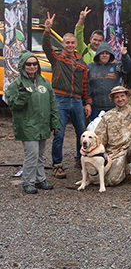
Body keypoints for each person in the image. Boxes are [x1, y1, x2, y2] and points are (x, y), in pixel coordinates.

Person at [43, 12, 91, 179]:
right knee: (59, 133)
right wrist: (47, 30)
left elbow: (85, 85)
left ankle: (80, 159)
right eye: (67, 43)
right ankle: (57, 164)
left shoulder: (81, 63)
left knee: (82, 132)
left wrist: (88, 102)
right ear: (63, 44)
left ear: (76, 43)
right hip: (60, 99)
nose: (70, 45)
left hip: (77, 101)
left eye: (72, 42)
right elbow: (47, 47)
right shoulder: (56, 58)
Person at [6, 51, 60, 194]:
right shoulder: (16, 84)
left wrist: (54, 122)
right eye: (28, 64)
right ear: (23, 65)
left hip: (42, 125)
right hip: (27, 125)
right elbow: (13, 106)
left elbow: (52, 103)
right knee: (32, 154)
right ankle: (28, 182)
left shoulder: (45, 82)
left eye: (34, 63)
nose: (32, 66)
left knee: (41, 154)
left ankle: (40, 178)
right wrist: (23, 96)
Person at [87, 41, 131, 120]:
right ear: (98, 54)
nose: (104, 55)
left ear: (110, 55)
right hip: (95, 107)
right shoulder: (90, 67)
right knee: (95, 130)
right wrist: (87, 103)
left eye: (107, 53)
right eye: (102, 53)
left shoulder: (116, 67)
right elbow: (85, 85)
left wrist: (124, 55)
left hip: (113, 107)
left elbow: (128, 67)